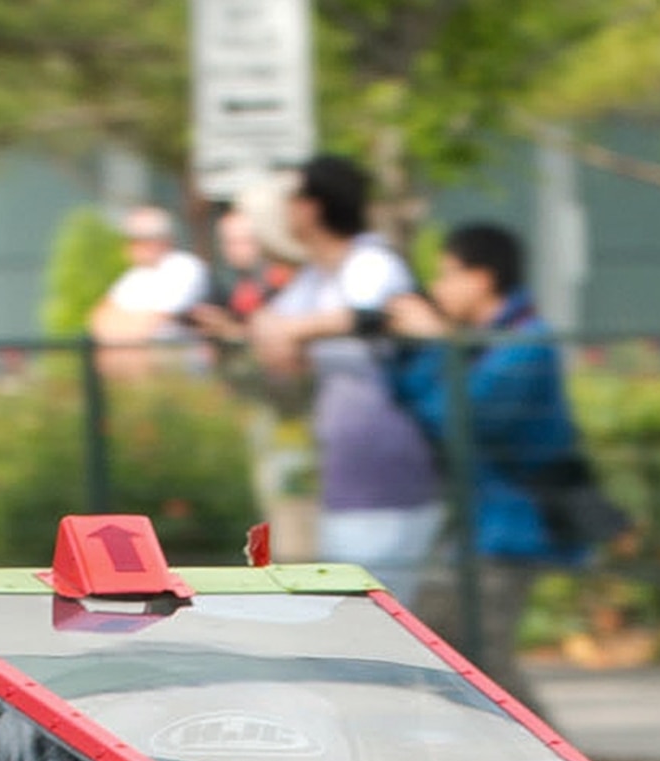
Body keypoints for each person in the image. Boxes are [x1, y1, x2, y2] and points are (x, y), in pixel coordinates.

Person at [383, 221, 597, 714]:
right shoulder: (479, 341)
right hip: (480, 523)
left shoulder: (526, 343)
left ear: (481, 278)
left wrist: (438, 343)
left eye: (447, 275)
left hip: (515, 524)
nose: (438, 290)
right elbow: (419, 401)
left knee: (483, 654)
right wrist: (407, 348)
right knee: (446, 640)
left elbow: (461, 416)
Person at [244, 155, 445, 598]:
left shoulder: (372, 263)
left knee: (379, 614)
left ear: (311, 207)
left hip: (391, 472)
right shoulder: (315, 278)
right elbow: (274, 337)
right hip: (344, 476)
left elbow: (369, 314)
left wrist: (295, 331)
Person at [88, 206, 213, 369]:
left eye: (134, 240)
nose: (127, 247)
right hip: (132, 368)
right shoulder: (133, 277)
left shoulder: (185, 267)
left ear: (157, 240)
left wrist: (123, 325)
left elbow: (153, 322)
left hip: (177, 368)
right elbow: (99, 319)